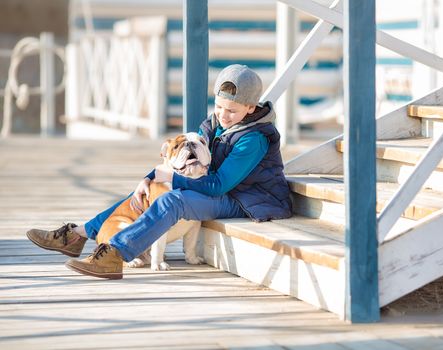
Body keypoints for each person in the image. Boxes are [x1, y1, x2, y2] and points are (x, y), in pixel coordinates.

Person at [26, 64, 292, 279]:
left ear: (251, 107)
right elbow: (179, 162)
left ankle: (115, 254)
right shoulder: (214, 125)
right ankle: (77, 235)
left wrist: (171, 179)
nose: (223, 114)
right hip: (219, 187)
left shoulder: (253, 138)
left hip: (247, 200)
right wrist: (149, 178)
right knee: (141, 195)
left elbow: (219, 185)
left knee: (172, 200)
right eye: (219, 106)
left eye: (232, 110)